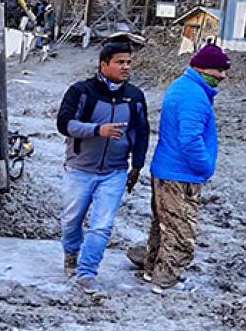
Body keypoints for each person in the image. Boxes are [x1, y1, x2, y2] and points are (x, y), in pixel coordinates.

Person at [129, 44, 229, 292]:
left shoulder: (183, 88)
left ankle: (152, 272)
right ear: (201, 68)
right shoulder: (193, 96)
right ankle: (164, 283)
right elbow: (190, 140)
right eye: (218, 70)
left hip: (167, 171)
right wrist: (205, 168)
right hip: (181, 175)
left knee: (162, 228)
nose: (222, 76)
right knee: (182, 236)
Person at [56, 42, 150, 294]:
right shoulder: (81, 92)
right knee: (71, 220)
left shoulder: (135, 96)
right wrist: (98, 130)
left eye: (129, 62)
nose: (126, 67)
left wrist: (137, 165)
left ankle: (87, 273)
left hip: (115, 172)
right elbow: (64, 124)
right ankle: (71, 253)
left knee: (102, 225)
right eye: (120, 62)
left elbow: (142, 132)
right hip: (80, 169)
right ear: (104, 64)